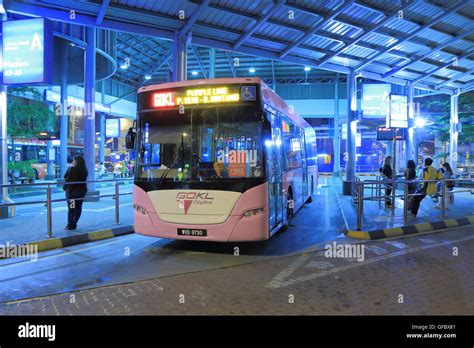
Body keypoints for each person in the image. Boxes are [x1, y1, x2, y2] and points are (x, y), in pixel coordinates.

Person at [63, 155, 88, 230]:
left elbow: (65, 177)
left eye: (73, 160)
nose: (72, 161)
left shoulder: (71, 169)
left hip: (72, 193)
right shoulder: (85, 170)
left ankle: (70, 225)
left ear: (76, 161)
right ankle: (74, 223)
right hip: (81, 192)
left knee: (71, 209)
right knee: (78, 208)